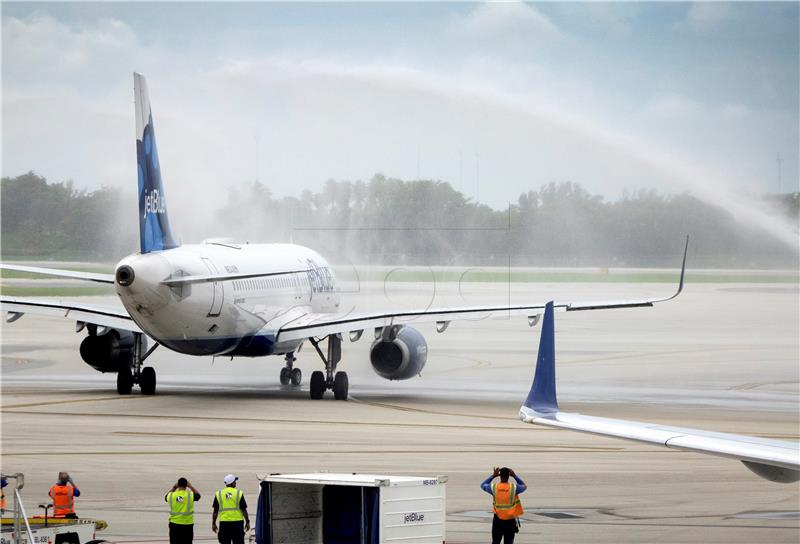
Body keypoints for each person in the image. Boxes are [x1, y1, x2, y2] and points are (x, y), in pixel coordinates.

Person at [481, 467, 527, 544]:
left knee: (495, 542)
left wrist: (493, 476)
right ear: (509, 476)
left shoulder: (494, 487)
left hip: (498, 521)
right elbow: (524, 486)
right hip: (510, 521)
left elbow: (482, 485)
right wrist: (515, 476)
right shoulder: (514, 488)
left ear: (500, 476)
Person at [212, 474, 249, 544]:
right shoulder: (239, 493)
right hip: (237, 524)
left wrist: (213, 523)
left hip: (224, 524)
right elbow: (244, 510)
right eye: (235, 481)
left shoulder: (219, 494)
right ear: (232, 483)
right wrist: (247, 521)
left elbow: (215, 511)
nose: (235, 482)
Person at [165, 477, 201, 544]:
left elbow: (166, 497)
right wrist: (190, 486)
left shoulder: (171, 495)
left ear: (178, 485)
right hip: (187, 524)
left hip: (174, 524)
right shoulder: (190, 495)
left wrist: (174, 487)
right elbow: (198, 496)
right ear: (186, 485)